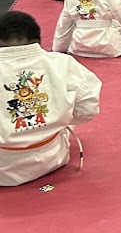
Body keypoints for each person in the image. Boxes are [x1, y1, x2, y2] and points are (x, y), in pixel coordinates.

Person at [0, 10, 101, 186]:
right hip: (52, 156)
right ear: (38, 40)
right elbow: (87, 109)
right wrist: (54, 121)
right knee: (64, 109)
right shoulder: (63, 63)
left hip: (3, 168)